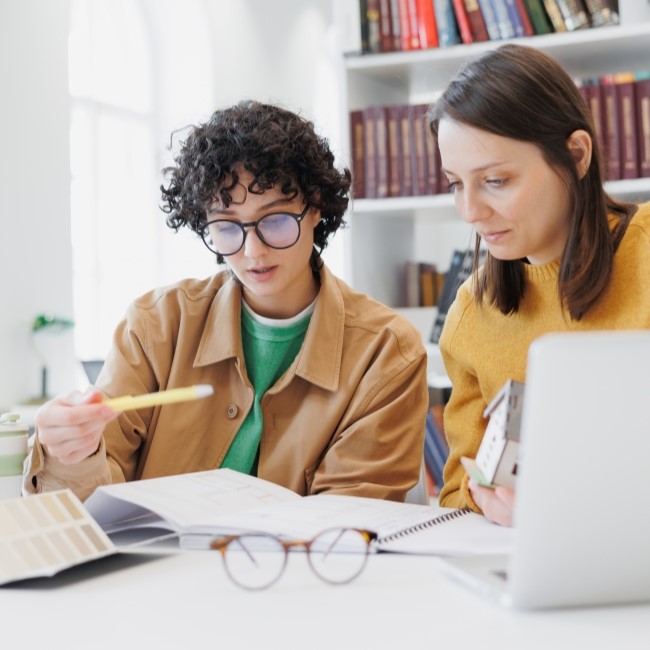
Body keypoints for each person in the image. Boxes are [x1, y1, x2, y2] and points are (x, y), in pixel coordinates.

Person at [24, 100, 428, 502]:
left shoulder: (386, 352)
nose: (252, 251)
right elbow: (88, 506)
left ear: (315, 208)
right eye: (227, 227)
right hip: (159, 567)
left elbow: (345, 528)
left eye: (275, 220)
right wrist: (71, 452)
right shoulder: (156, 325)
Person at [429, 44, 650, 526]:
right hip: (533, 568)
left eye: (496, 181)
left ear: (575, 155)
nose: (470, 211)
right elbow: (454, 497)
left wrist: (569, 509)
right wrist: (488, 500)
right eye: (455, 183)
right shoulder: (472, 313)